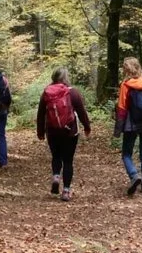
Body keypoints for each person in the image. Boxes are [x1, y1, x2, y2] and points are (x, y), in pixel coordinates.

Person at [36, 67, 91, 202]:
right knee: (68, 160)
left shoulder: (47, 93)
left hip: (52, 131)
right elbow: (82, 112)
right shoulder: (73, 92)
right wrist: (87, 126)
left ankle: (56, 176)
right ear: (66, 78)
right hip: (70, 131)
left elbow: (41, 114)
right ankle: (66, 191)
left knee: (56, 156)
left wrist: (40, 131)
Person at [113, 56, 142, 197]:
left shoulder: (125, 85)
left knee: (126, 154)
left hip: (131, 124)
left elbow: (122, 108)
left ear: (126, 70)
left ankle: (134, 175)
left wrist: (118, 130)